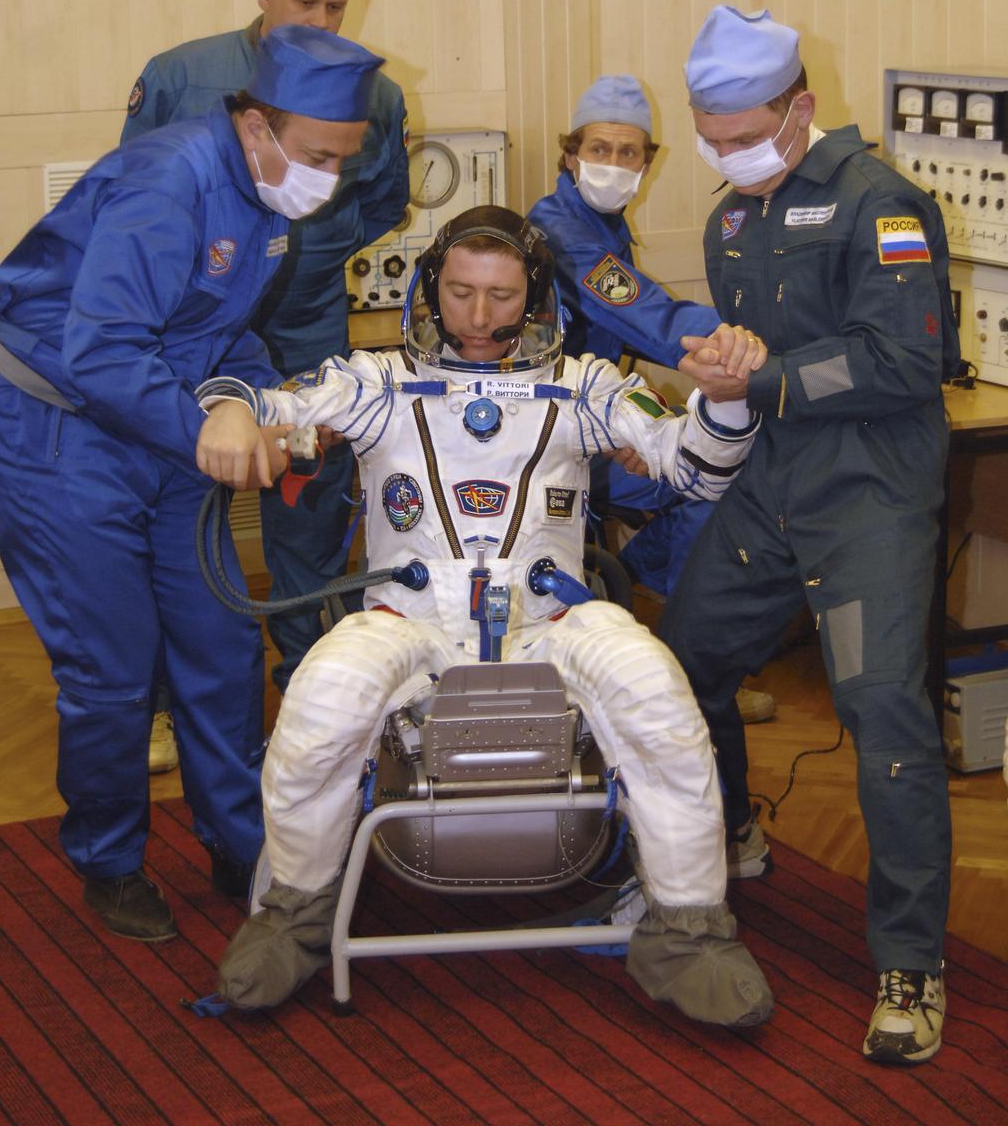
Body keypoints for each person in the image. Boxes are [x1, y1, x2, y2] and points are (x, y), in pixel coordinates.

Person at [194, 205, 774, 1028]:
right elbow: (276, 406)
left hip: (553, 617)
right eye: (460, 291)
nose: (477, 316)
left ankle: (688, 933)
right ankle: (292, 915)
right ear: (430, 288)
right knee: (321, 700)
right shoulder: (374, 383)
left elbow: (692, 470)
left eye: (501, 296)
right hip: (409, 618)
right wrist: (232, 411)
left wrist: (723, 400)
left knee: (658, 695)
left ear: (536, 298)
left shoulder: (584, 388)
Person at [0, 24, 382, 941]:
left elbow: (217, 334)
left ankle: (240, 843)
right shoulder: (170, 182)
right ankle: (109, 859)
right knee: (112, 663)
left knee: (218, 636)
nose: (329, 179)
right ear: (258, 124)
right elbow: (101, 351)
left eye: (344, 160)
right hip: (49, 419)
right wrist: (209, 428)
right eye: (318, 155)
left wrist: (235, 399)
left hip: (157, 413)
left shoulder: (270, 193)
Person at [659, 5, 960, 1065]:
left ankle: (909, 964)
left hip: (867, 491)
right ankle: (733, 824)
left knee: (881, 720)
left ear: (800, 110)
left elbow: (899, 363)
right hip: (773, 483)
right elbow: (753, 349)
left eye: (743, 132)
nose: (724, 151)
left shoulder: (880, 206)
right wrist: (725, 365)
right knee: (679, 665)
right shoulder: (731, 219)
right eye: (709, 131)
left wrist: (765, 375)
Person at [123, 0, 409, 728]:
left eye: (336, 8)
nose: (321, 24)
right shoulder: (185, 76)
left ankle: (311, 680)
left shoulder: (376, 95)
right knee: (178, 495)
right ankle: (165, 700)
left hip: (307, 325)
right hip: (193, 328)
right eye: (304, 2)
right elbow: (136, 202)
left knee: (308, 502)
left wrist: (305, 253)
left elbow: (381, 202)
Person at [528, 75, 777, 729]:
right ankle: (682, 664)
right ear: (568, 154)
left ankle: (643, 601)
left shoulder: (603, 225)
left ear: (648, 161)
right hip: (552, 439)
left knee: (727, 476)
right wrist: (738, 339)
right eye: (599, 149)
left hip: (600, 418)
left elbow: (614, 345)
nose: (612, 165)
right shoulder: (559, 230)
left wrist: (641, 416)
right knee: (721, 483)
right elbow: (643, 312)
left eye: (628, 153)